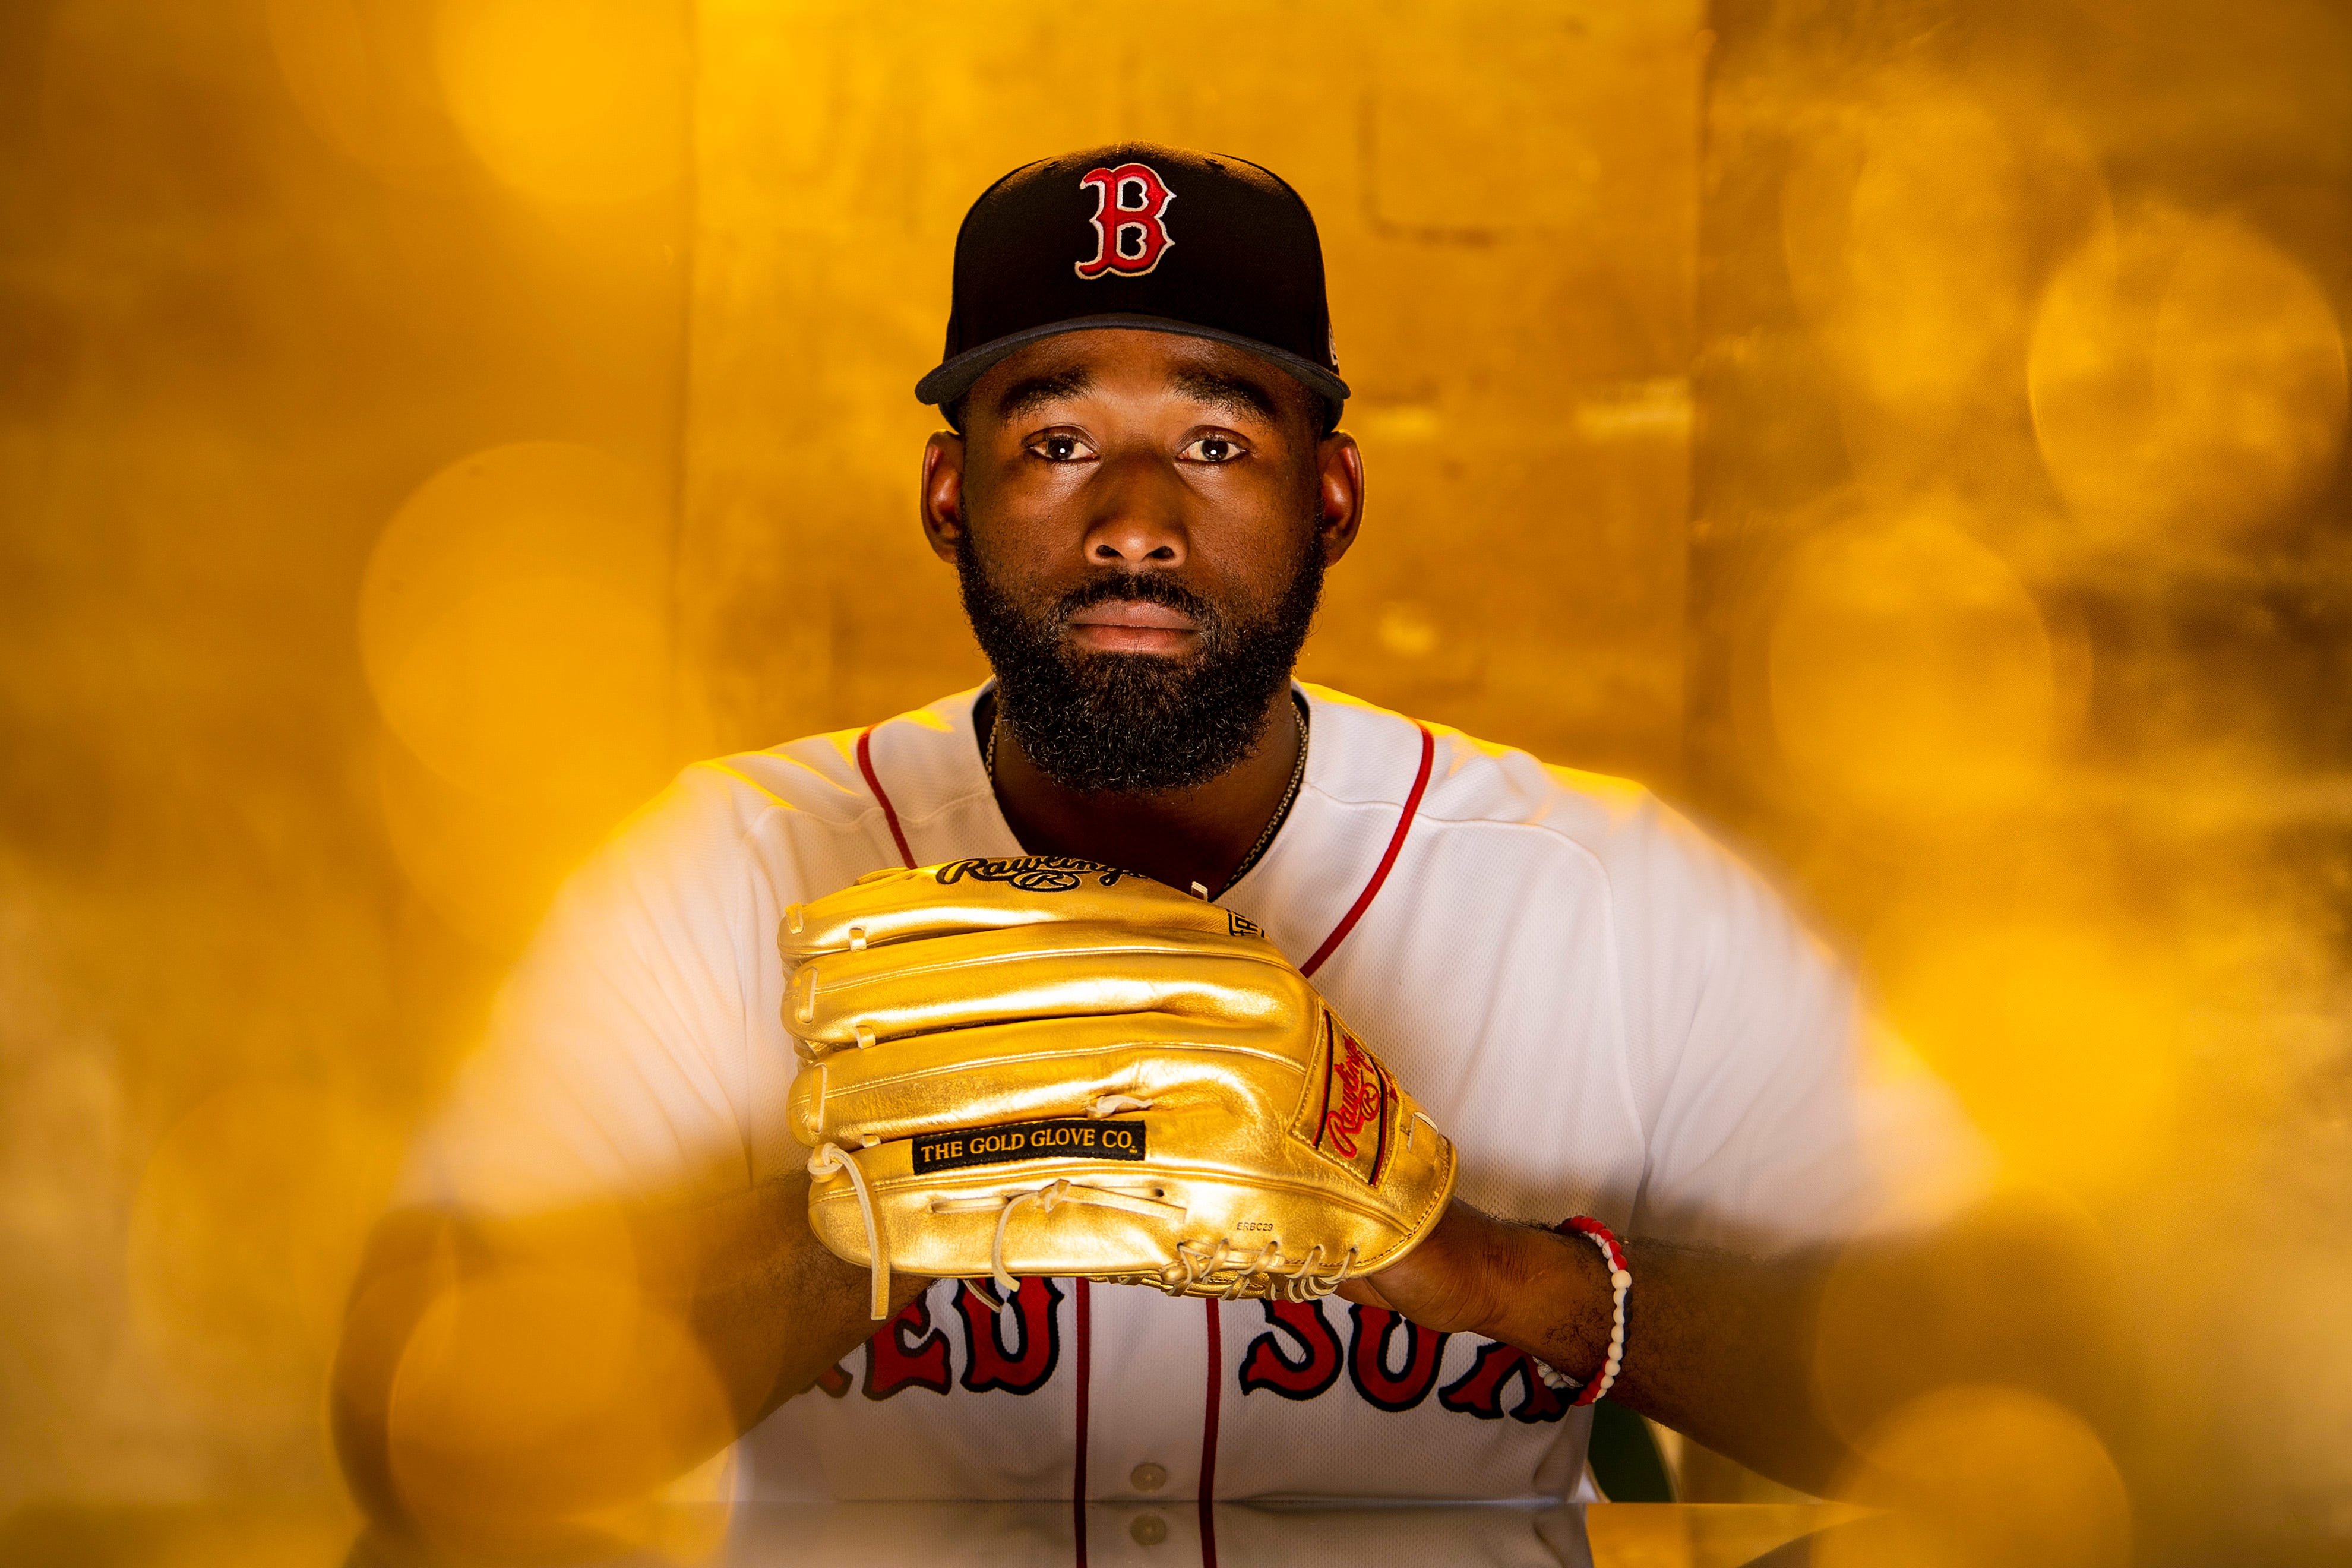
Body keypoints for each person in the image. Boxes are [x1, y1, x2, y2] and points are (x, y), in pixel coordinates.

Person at [332, 144, 2029, 1542]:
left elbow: (2010, 1383)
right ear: (947, 498)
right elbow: (411, 1431)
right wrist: (890, 1204)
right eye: (1057, 442)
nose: (1135, 522)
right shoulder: (727, 866)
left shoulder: (1600, 890)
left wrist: (1491, 1277)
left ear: (1335, 496)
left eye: (1216, 443)